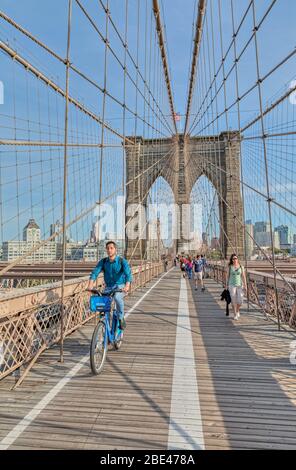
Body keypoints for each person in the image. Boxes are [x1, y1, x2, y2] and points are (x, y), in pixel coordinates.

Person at [87, 241, 132, 330]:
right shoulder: (103, 262)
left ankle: (121, 317)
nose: (109, 250)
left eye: (111, 248)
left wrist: (127, 286)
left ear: (115, 250)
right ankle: (103, 324)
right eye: (108, 248)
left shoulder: (122, 261)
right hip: (108, 287)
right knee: (102, 302)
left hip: (120, 286)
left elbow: (128, 274)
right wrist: (90, 285)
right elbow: (95, 273)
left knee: (117, 298)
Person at [225, 253, 247, 321]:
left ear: (238, 259)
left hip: (240, 285)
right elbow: (227, 276)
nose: (235, 260)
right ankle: (235, 314)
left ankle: (237, 310)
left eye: (236, 258)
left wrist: (245, 285)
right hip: (232, 285)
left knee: (240, 300)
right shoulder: (230, 267)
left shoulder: (241, 267)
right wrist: (226, 285)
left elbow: (243, 276)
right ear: (232, 260)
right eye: (233, 259)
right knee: (233, 300)